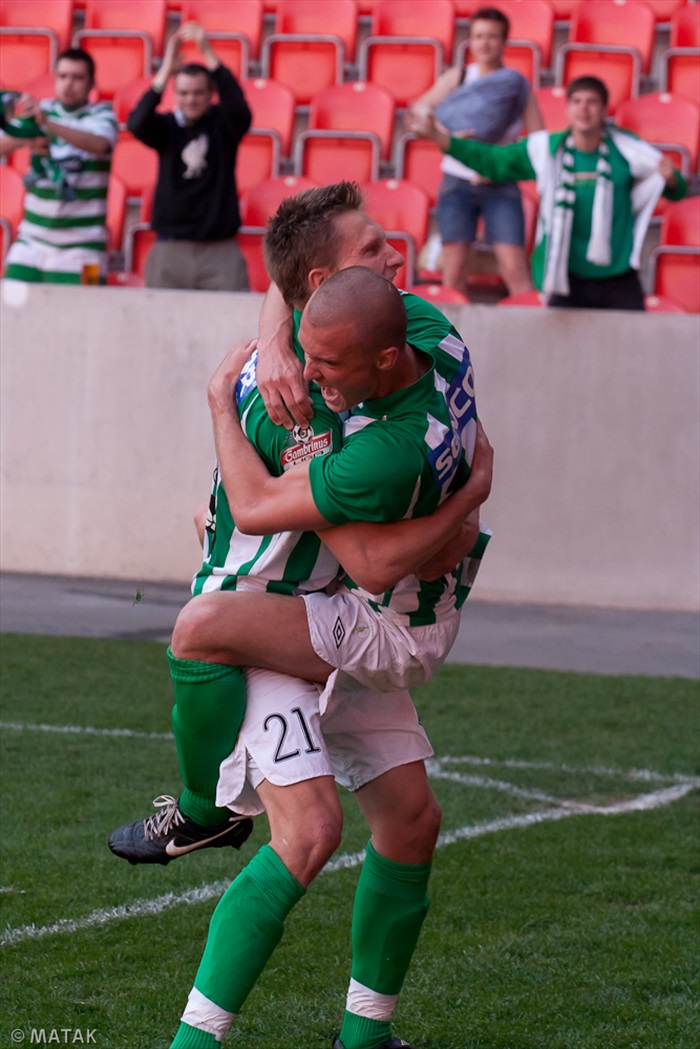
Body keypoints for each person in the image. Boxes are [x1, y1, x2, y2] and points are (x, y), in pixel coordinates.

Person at [109, 185, 492, 1048]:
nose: (395, 263)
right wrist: (467, 498)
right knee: (310, 825)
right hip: (275, 613)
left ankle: (365, 1036)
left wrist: (256, 362)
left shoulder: (362, 350)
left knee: (410, 818)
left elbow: (289, 282)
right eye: (373, 254)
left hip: (328, 613)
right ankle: (206, 819)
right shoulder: (330, 391)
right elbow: (347, 548)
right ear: (315, 284)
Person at [408, 75, 687, 310]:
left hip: (618, 276)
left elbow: (674, 188)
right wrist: (442, 139)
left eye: (592, 102)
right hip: (564, 276)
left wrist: (671, 180)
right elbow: (493, 161)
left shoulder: (628, 149)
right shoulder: (546, 151)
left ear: (604, 110)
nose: (584, 109)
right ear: (567, 109)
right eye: (577, 102)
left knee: (630, 358)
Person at [409, 6, 543, 298]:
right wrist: (446, 135)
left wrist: (505, 161)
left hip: (500, 184)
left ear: (504, 41)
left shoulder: (516, 86)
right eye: (479, 36)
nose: (484, 43)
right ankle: (450, 342)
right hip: (457, 183)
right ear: (470, 40)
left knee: (515, 271)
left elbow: (538, 142)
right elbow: (418, 113)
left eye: (492, 37)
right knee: (454, 272)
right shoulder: (457, 78)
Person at [127, 21, 251, 291]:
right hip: (169, 248)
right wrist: (164, 72)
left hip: (220, 250)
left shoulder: (223, 125)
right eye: (183, 93)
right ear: (175, 94)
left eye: (198, 93)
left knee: (232, 329)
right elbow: (137, 123)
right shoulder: (167, 128)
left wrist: (208, 53)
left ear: (210, 95)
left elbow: (240, 110)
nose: (191, 99)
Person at [1, 48, 118, 284]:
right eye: (63, 77)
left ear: (92, 82)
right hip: (32, 240)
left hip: (85, 246)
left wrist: (48, 124)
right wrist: (27, 137)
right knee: (9, 312)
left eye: (77, 77)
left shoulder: (102, 116)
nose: (68, 84)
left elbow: (100, 144)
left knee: (85, 315)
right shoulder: (39, 113)